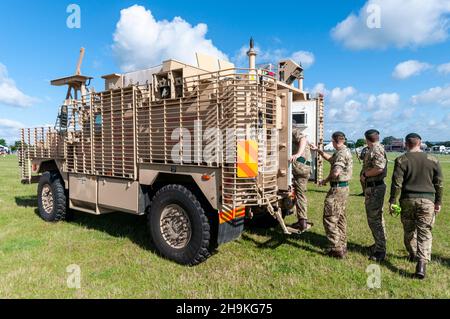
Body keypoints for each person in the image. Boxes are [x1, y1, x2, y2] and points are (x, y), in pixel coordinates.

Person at [389, 133, 443, 279]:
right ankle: (421, 262)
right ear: (421, 143)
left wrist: (392, 201)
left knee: (409, 231)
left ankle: (413, 254)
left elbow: (396, 184)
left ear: (406, 144)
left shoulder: (401, 160)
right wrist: (438, 202)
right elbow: (439, 184)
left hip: (407, 200)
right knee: (425, 232)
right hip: (427, 202)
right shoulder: (433, 160)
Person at [310, 131, 353, 258]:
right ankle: (342, 245)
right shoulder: (344, 151)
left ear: (334, 141)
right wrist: (319, 151)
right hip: (343, 189)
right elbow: (331, 159)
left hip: (337, 190)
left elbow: (336, 172)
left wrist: (325, 180)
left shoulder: (341, 153)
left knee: (329, 218)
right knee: (340, 217)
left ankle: (336, 249)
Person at [360, 129, 388, 262]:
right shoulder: (374, 148)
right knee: (377, 217)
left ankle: (380, 250)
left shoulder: (376, 149)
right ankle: (379, 243)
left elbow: (379, 168)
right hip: (374, 187)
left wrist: (365, 175)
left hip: (375, 187)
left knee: (374, 219)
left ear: (366, 139)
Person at [289, 126, 312, 232]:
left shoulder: (293, 130)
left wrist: (297, 154)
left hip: (300, 168)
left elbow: (303, 139)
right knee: (298, 193)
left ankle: (302, 221)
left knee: (300, 195)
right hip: (304, 167)